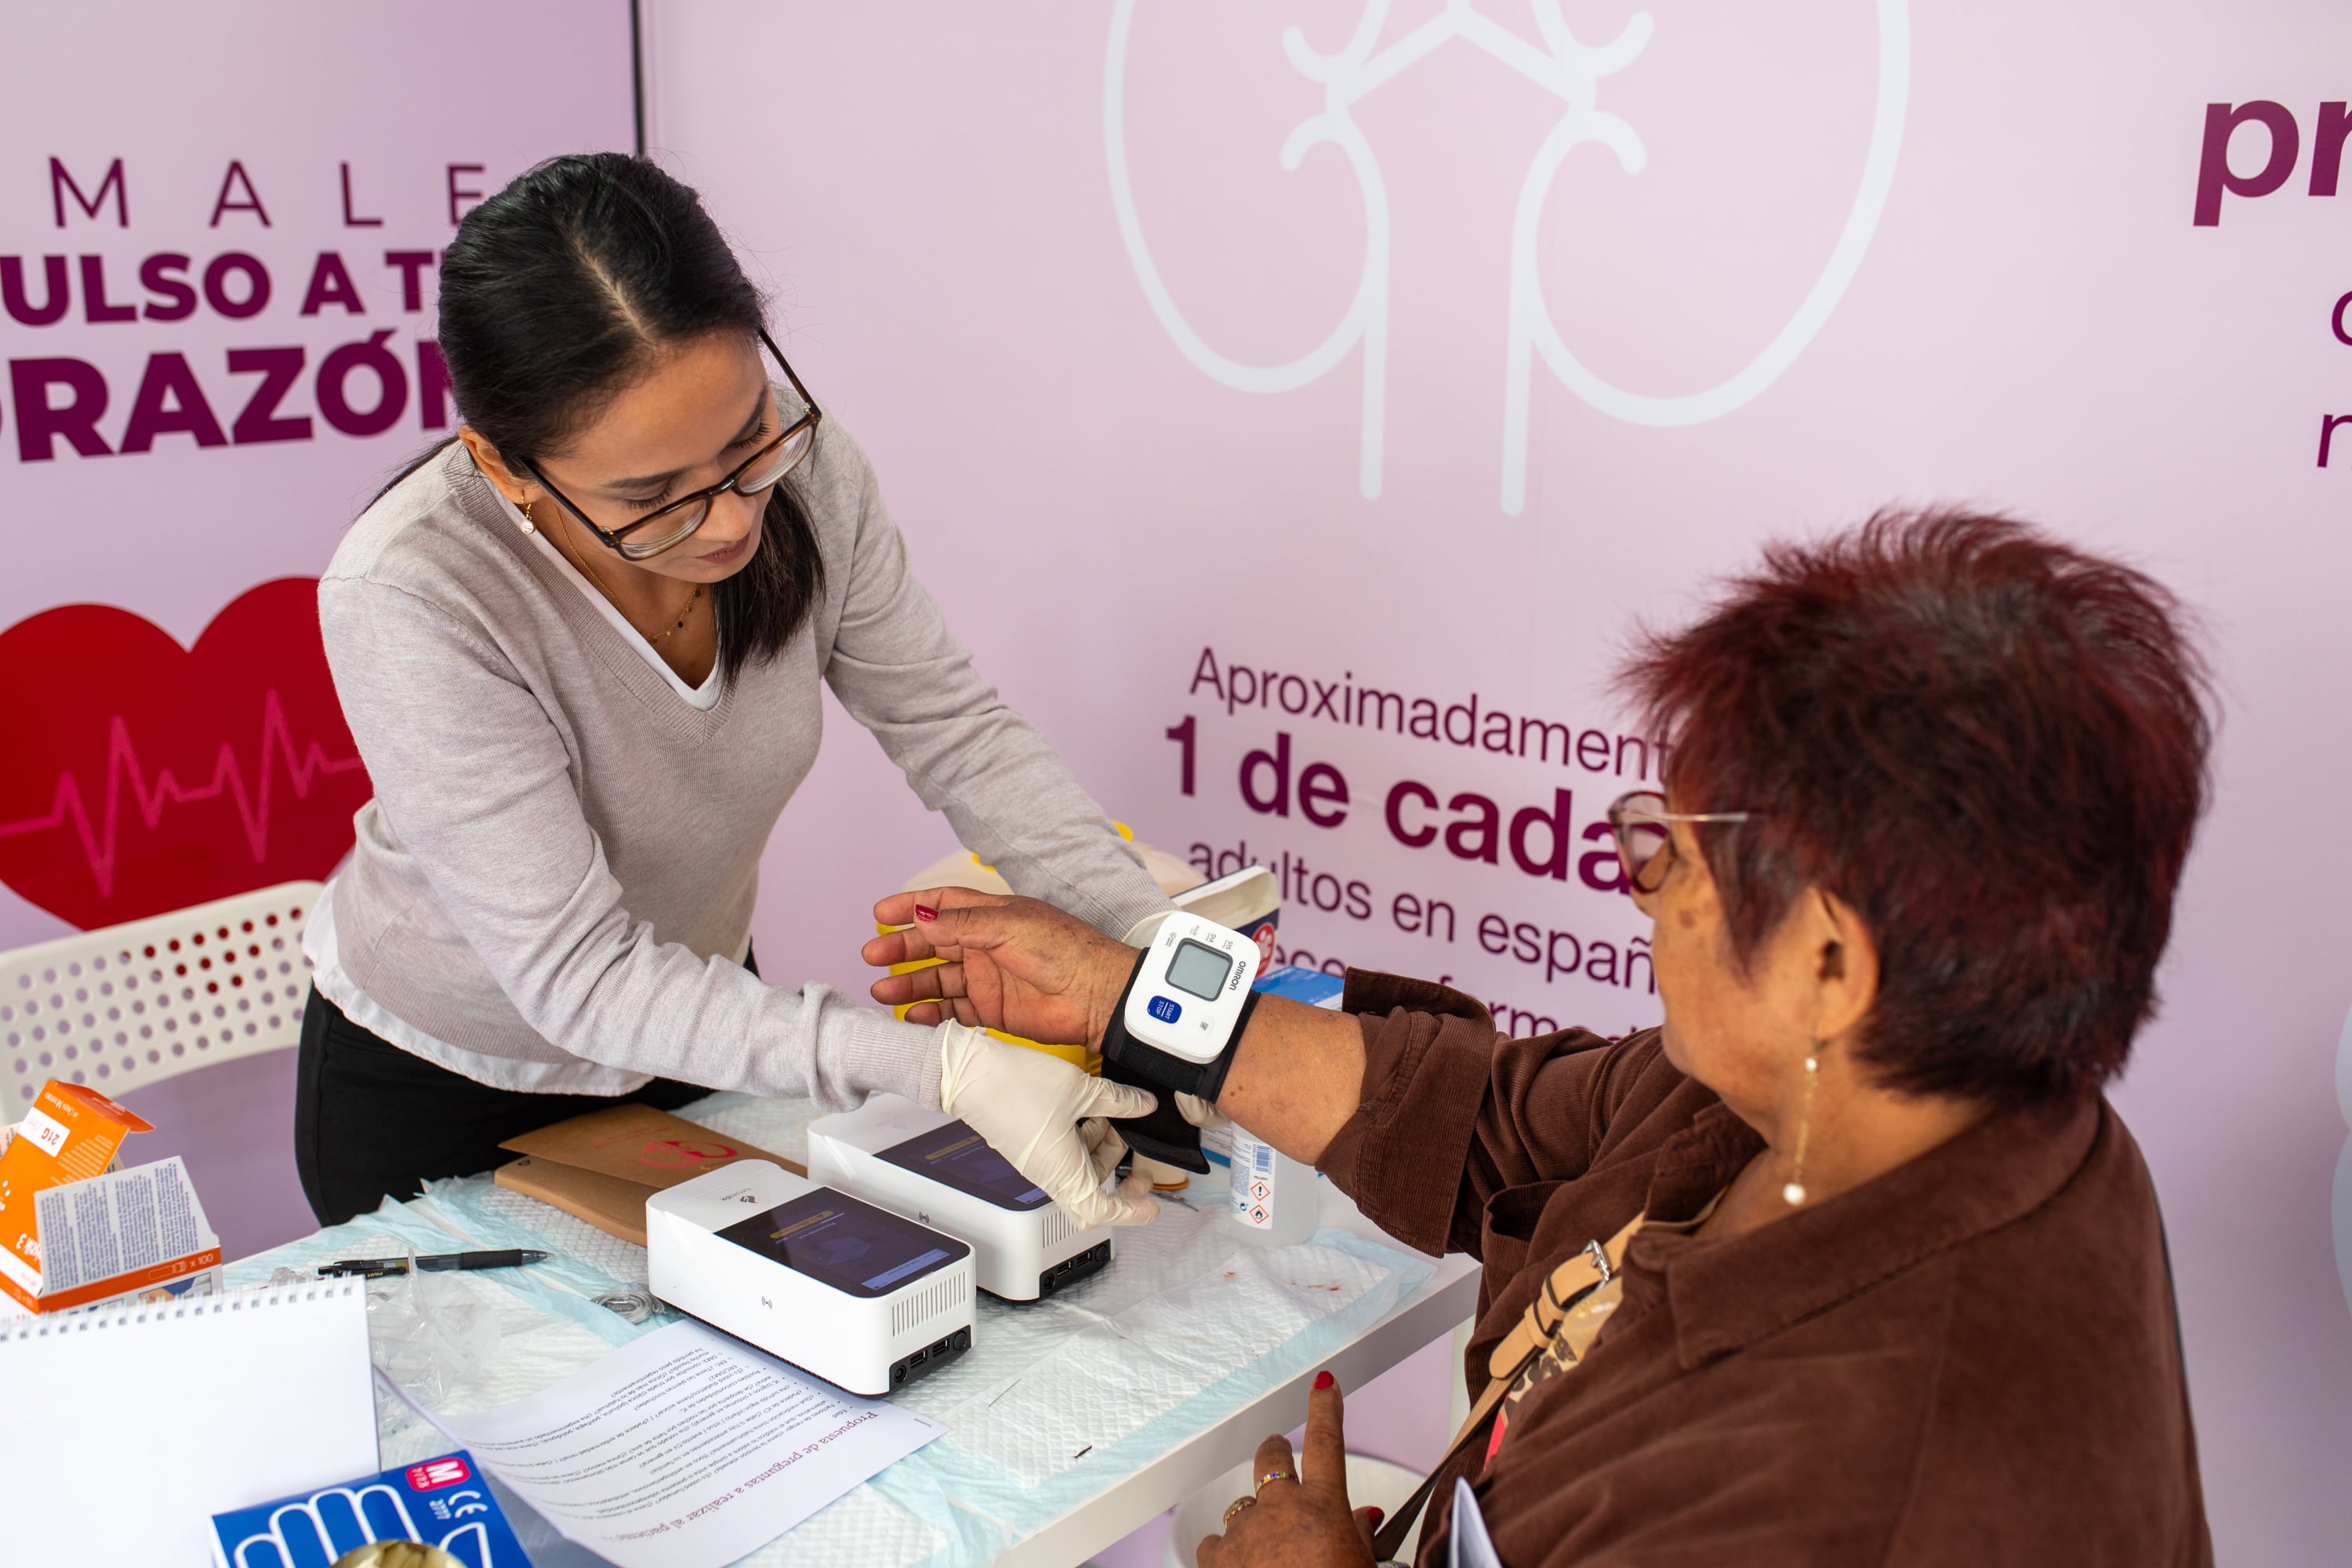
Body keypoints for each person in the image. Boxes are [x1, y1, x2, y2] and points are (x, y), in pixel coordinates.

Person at [866, 512, 2215, 1566]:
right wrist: (1120, 998)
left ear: (1826, 960)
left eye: (1667, 852)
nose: (1639, 888)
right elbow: (1491, 1117)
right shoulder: (1884, 1097)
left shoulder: (1843, 1487)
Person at [297, 153, 1166, 1229]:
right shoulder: (415, 592)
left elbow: (956, 730)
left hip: (693, 1020)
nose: (730, 522)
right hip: (448, 1078)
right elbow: (578, 974)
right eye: (650, 497)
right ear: (505, 465)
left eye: (748, 439)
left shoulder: (803, 464)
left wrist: (1151, 957)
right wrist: (940, 1072)